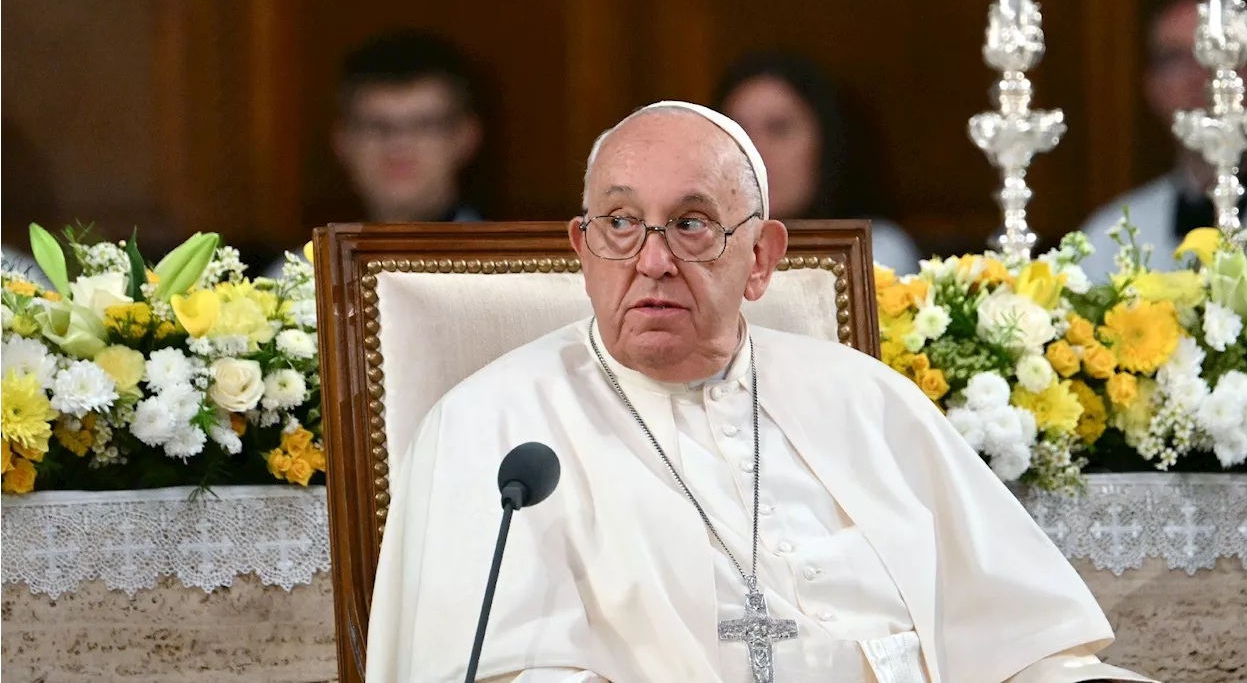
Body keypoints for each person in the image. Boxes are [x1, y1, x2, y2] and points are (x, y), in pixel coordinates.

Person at [365, 101, 1155, 682]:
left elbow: (1030, 650)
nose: (651, 260)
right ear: (583, 247)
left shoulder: (866, 401)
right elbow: (510, 673)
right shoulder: (496, 430)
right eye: (619, 222)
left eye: (693, 224)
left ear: (764, 257)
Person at [1079, 0, 1247, 280]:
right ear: (1151, 86)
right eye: (1174, 58)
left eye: (1225, 54)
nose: (1201, 77)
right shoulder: (1109, 236)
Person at [266, 29, 484, 276]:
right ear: (342, 141)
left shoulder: (515, 272)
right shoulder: (295, 281)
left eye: (424, 124)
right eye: (377, 126)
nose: (399, 145)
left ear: (466, 137)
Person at [714, 52, 922, 275]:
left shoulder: (876, 251)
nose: (754, 150)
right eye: (738, 132)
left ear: (827, 142)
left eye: (779, 129)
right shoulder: (693, 252)